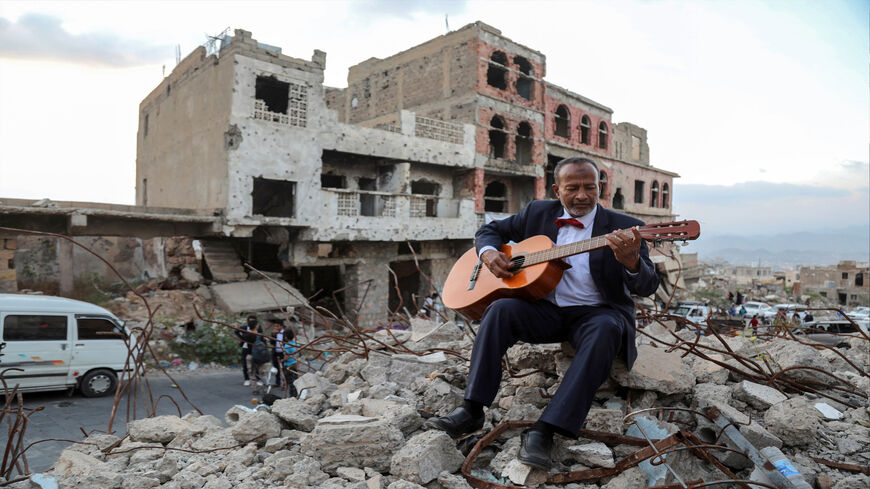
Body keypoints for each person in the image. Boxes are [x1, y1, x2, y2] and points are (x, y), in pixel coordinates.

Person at [423, 157, 659, 470]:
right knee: (499, 309)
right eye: (572, 188)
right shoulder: (537, 212)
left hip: (596, 314)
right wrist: (490, 253)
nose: (581, 196)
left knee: (606, 329)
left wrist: (631, 262)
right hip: (545, 310)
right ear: (555, 190)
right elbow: (489, 230)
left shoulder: (625, 228)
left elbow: (648, 284)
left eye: (590, 187)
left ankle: (546, 430)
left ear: (600, 188)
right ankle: (472, 408)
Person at [237, 314, 264, 386]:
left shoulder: (258, 328)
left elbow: (262, 337)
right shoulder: (244, 328)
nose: (252, 323)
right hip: (246, 348)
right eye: (250, 321)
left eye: (253, 321)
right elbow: (236, 331)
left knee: (257, 364)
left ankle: (258, 379)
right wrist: (241, 338)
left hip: (256, 348)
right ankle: (247, 379)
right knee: (245, 363)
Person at [269, 318, 287, 387]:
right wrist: (273, 335)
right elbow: (271, 343)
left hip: (283, 353)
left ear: (281, 326)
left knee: (284, 368)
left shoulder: (285, 333)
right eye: (275, 326)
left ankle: (285, 383)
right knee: (276, 368)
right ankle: (277, 382)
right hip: (275, 353)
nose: (275, 328)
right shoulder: (274, 333)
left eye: (277, 326)